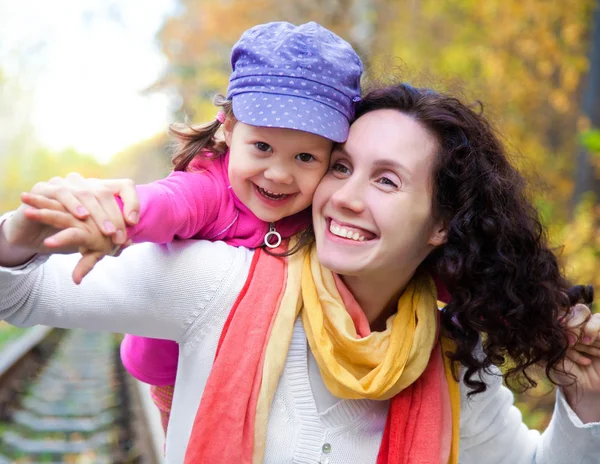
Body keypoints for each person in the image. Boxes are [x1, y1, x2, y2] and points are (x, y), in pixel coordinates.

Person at [1, 82, 600, 464]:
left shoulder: (451, 361)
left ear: (442, 223)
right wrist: (25, 230)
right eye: (340, 168)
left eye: (386, 180)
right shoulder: (221, 284)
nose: (346, 197)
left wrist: (586, 400)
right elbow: (22, 292)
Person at [43, 21, 363, 432]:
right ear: (228, 129)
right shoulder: (209, 190)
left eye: (305, 158)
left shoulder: (322, 211)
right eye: (262, 147)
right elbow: (167, 204)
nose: (279, 174)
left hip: (258, 370)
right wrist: (114, 218)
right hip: (175, 371)